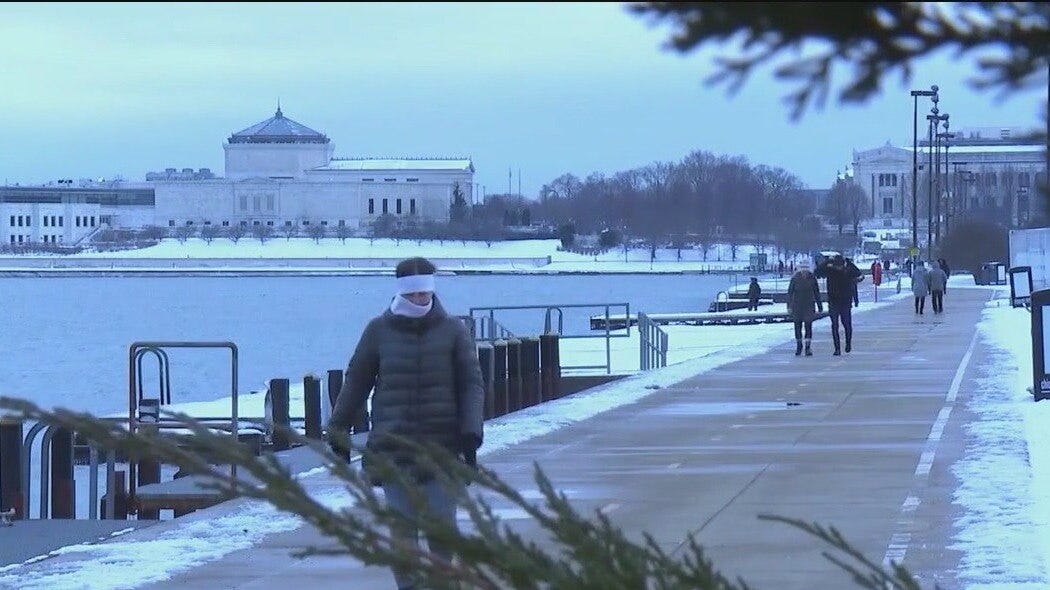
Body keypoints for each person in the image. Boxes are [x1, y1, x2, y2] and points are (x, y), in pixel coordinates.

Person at [327, 256, 485, 590]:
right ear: (401, 293)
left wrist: (471, 434)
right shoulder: (378, 331)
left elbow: (471, 384)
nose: (419, 299)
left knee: (442, 532)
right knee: (403, 535)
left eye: (424, 293)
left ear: (432, 291)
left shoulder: (453, 331)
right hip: (393, 448)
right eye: (412, 294)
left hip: (441, 449)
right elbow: (356, 381)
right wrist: (339, 428)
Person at [816, 254, 862, 355]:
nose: (839, 268)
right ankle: (837, 348)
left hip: (845, 302)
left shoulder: (847, 271)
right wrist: (827, 261)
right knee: (835, 325)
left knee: (846, 324)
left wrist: (848, 262)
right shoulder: (830, 271)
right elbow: (817, 272)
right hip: (834, 301)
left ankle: (848, 343)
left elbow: (858, 273)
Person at [787, 259, 823, 356]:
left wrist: (819, 305)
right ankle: (799, 346)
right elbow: (790, 293)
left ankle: (807, 347)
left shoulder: (812, 278)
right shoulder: (795, 279)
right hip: (797, 305)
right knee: (797, 326)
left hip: (809, 305)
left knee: (808, 326)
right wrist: (789, 306)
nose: (804, 271)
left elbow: (816, 292)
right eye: (802, 269)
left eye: (806, 269)